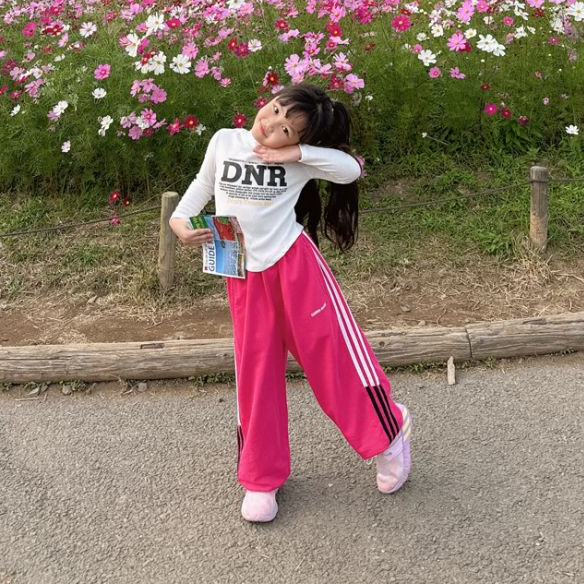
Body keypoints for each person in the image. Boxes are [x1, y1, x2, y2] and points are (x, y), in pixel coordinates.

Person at [169, 83, 412, 523]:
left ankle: (389, 432)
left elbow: (351, 169)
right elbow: (201, 186)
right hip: (242, 273)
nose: (271, 124)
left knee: (332, 360)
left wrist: (295, 155)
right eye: (275, 109)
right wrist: (179, 222)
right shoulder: (225, 140)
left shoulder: (296, 159)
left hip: (295, 269)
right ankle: (261, 477)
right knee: (255, 372)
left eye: (286, 128)